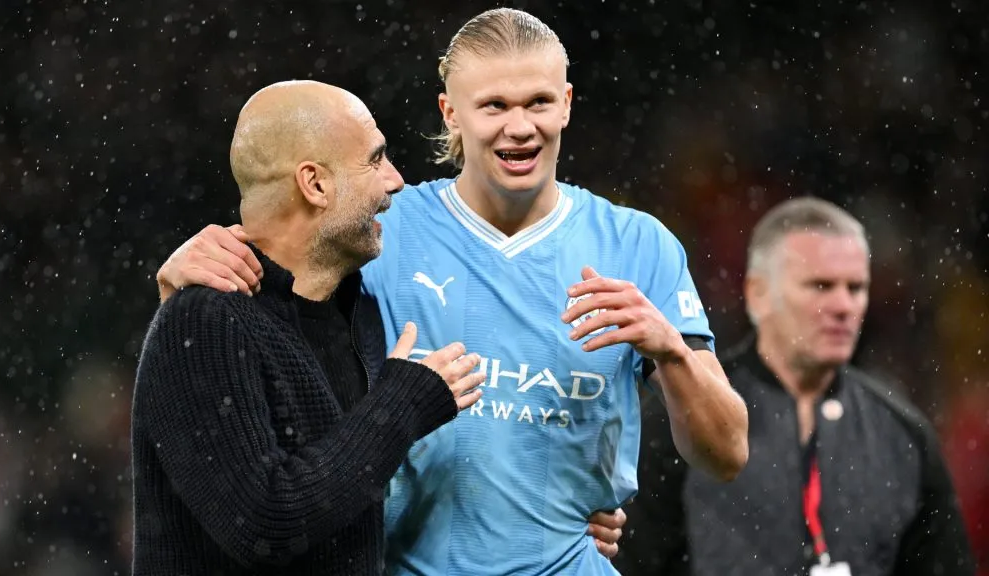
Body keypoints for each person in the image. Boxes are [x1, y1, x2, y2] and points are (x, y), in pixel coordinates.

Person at [155, 8, 750, 575]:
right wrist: (184, 277)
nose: (521, 126)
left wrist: (671, 350)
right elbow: (260, 336)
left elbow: (725, 454)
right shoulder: (378, 235)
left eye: (539, 102)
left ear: (566, 104)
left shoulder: (639, 247)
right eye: (494, 105)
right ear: (451, 113)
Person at [130, 80, 487, 575]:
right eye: (375, 159)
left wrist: (565, 513)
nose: (396, 180)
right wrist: (403, 403)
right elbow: (267, 523)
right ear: (314, 184)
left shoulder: (359, 312)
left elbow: (347, 488)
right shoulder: (205, 319)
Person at [613, 197, 977, 576]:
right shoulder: (687, 413)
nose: (843, 305)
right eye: (820, 285)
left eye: (855, 288)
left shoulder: (903, 433)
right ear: (757, 294)